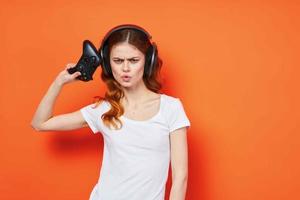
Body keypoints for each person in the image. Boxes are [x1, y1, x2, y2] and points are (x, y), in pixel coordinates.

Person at [31, 24, 191, 200]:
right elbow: (40, 123)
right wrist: (59, 82)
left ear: (148, 61)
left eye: (133, 60)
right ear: (108, 64)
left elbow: (180, 178)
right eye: (118, 61)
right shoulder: (103, 109)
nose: (125, 69)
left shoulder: (171, 108)